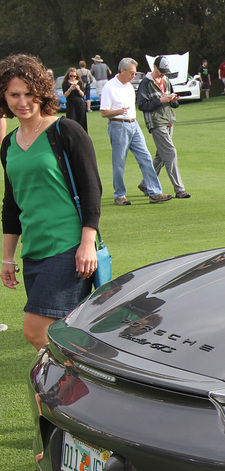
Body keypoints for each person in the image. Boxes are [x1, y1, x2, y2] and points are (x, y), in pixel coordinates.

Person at [1, 54, 102, 350]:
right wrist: (7, 257)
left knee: (35, 330)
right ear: (4, 96)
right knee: (64, 332)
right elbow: (11, 204)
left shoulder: (65, 131)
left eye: (29, 93)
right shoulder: (8, 144)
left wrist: (87, 244)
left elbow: (91, 190)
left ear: (42, 92)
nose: (23, 102)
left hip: (68, 248)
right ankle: (74, 391)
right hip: (33, 252)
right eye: (14, 94)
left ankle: (65, 390)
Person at [100, 58, 171, 204]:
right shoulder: (110, 87)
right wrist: (119, 111)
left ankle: (155, 192)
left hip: (133, 124)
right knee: (119, 162)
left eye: (134, 73)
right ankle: (119, 195)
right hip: (118, 125)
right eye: (131, 73)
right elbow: (104, 112)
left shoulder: (129, 86)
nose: (133, 76)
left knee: (145, 157)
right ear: (122, 71)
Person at [136, 56, 189, 199]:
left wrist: (173, 101)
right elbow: (141, 105)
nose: (163, 74)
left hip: (169, 119)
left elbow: (172, 103)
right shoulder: (145, 83)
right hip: (156, 122)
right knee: (170, 153)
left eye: (165, 71)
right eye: (161, 71)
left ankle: (146, 184)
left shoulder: (166, 80)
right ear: (154, 67)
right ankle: (179, 189)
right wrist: (160, 100)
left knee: (161, 155)